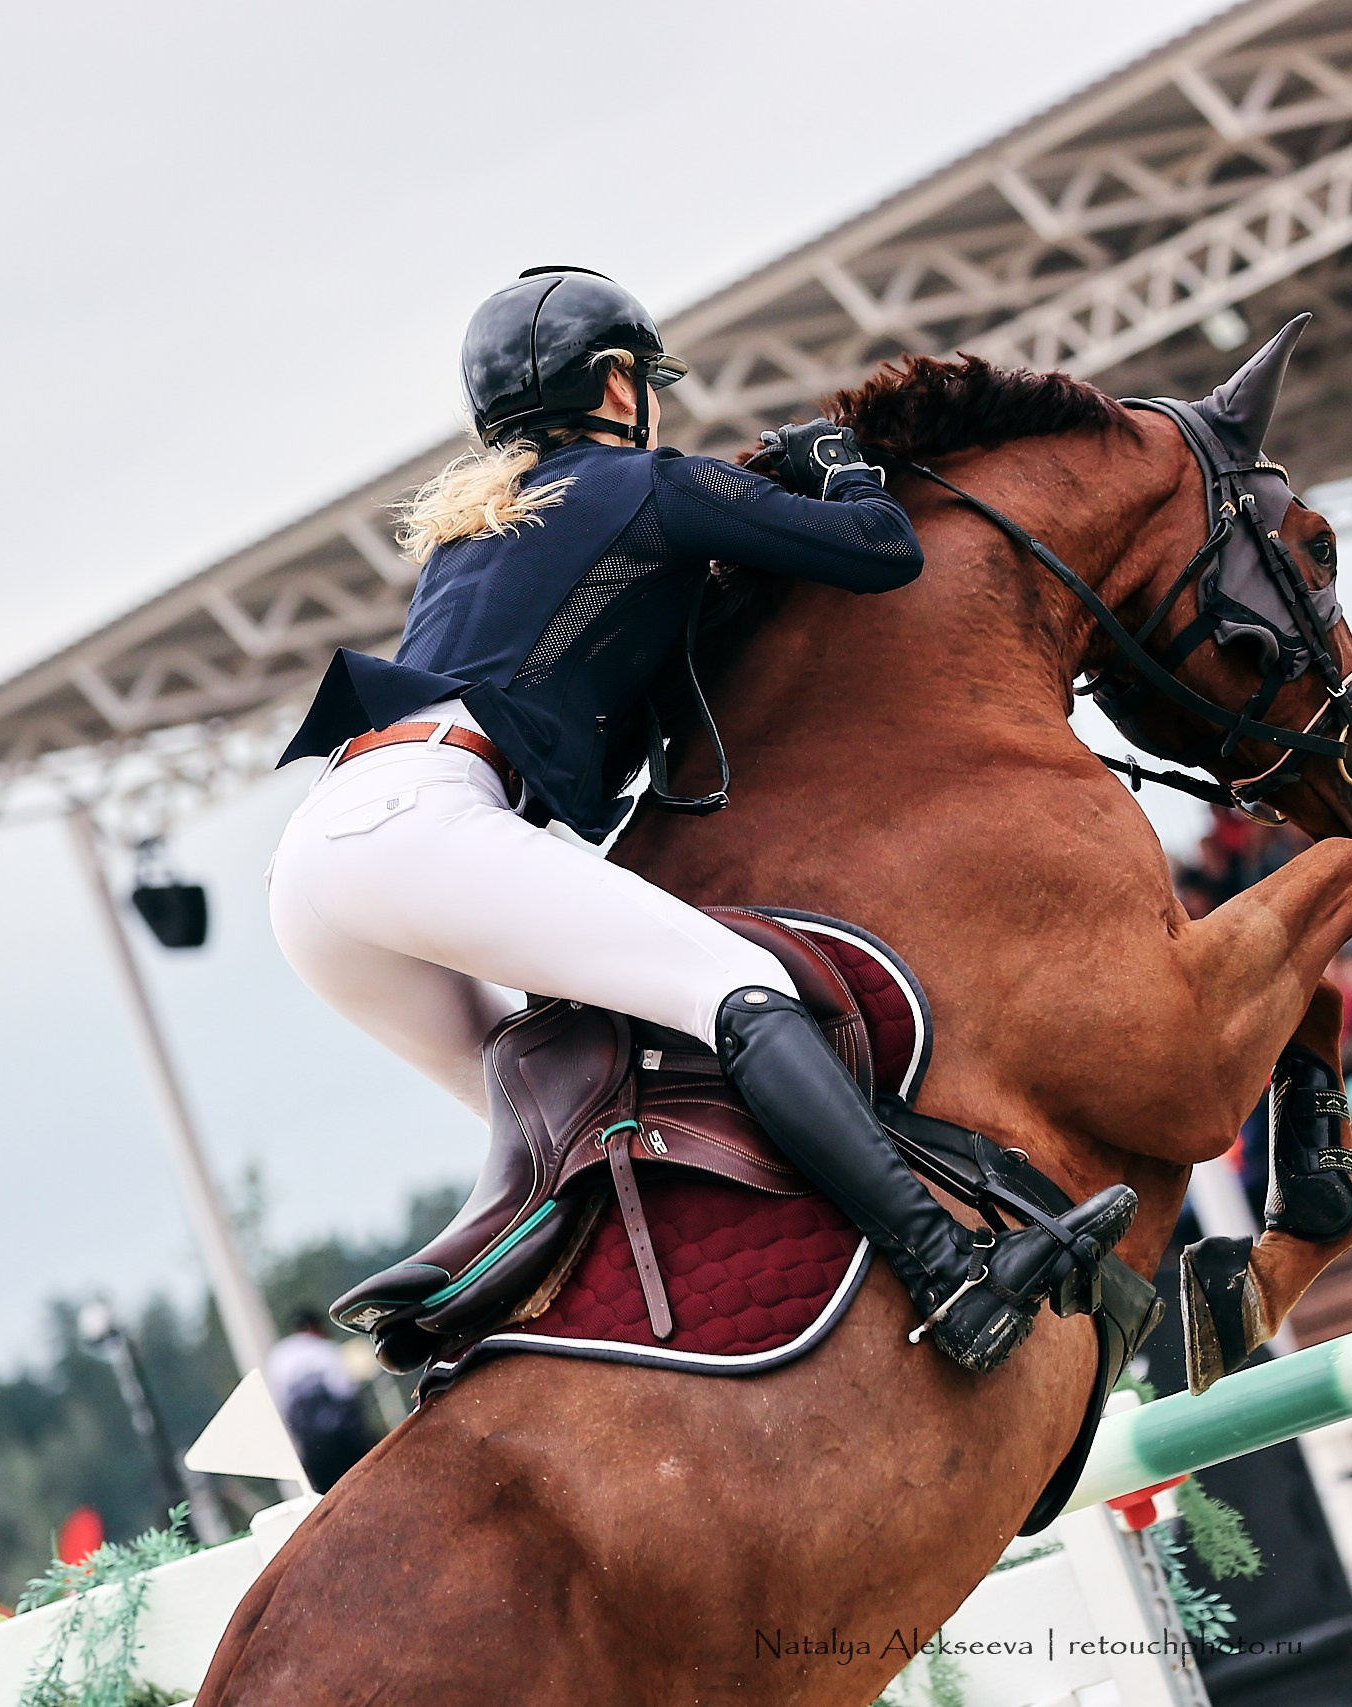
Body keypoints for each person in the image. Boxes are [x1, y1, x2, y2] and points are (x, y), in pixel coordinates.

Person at [269, 268, 1133, 1374]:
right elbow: (883, 553)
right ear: (619, 385)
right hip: (424, 822)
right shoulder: (648, 486)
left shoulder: (482, 529)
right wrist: (838, 466)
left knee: (564, 1119)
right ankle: (948, 1275)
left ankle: (551, 1352)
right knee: (738, 992)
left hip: (321, 870)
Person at [265, 1310, 381, 1494]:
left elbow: (281, 1406)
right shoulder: (326, 1349)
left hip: (312, 1450)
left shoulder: (279, 1356)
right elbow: (345, 1392)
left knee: (332, 1498)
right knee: (372, 1484)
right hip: (342, 1442)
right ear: (315, 1327)